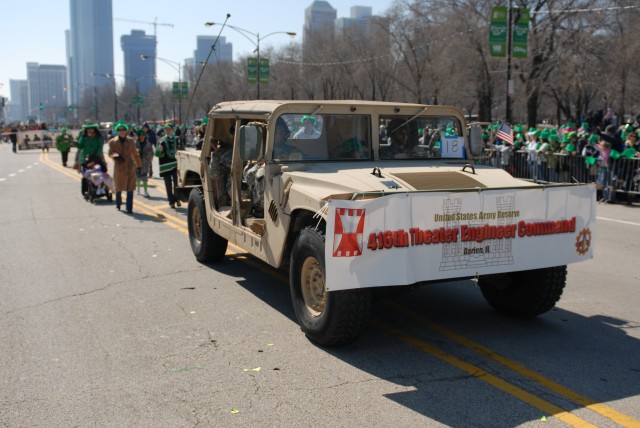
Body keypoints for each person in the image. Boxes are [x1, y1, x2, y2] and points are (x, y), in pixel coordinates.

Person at [108, 123, 142, 214]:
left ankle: (129, 208)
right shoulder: (112, 142)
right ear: (117, 131)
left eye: (123, 130)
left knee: (130, 187)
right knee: (118, 187)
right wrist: (115, 156)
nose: (122, 131)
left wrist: (138, 165)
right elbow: (110, 153)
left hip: (130, 166)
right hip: (119, 167)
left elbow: (135, 154)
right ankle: (118, 204)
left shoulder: (130, 141)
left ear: (126, 131)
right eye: (120, 130)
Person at [155, 122, 181, 209]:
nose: (167, 131)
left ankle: (177, 199)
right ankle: (171, 201)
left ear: (172, 129)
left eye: (169, 129)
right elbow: (157, 153)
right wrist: (160, 149)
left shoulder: (176, 139)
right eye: (166, 129)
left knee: (177, 183)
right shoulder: (161, 140)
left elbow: (181, 150)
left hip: (175, 164)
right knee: (168, 184)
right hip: (165, 165)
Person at [134, 128, 154, 197]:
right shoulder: (135, 143)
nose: (142, 136)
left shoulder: (148, 144)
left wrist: (149, 158)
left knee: (145, 178)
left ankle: (145, 191)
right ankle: (138, 189)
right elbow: (132, 153)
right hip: (137, 163)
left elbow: (151, 152)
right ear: (139, 136)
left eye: (143, 135)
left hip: (145, 163)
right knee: (138, 177)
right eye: (140, 135)